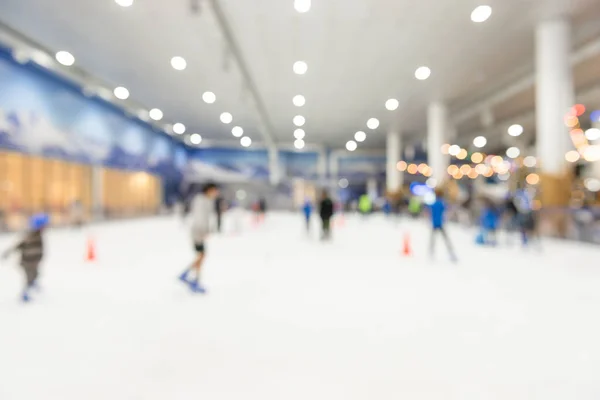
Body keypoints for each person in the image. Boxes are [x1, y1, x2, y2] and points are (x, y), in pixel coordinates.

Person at [179, 183, 219, 293]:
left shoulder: (206, 200)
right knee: (201, 255)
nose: (216, 193)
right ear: (209, 190)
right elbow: (200, 217)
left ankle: (193, 279)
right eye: (215, 191)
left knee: (201, 255)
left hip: (199, 231)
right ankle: (187, 275)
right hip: (197, 232)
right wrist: (204, 231)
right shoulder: (201, 201)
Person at [2, 213, 49, 302]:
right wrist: (7, 253)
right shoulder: (29, 235)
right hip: (27, 261)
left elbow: (40, 248)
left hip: (34, 261)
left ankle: (32, 283)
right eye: (43, 226)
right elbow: (18, 245)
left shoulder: (39, 235)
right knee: (29, 277)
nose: (45, 228)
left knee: (35, 274)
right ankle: (24, 294)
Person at [428, 188, 457, 262]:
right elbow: (448, 209)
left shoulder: (434, 203)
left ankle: (431, 254)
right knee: (446, 240)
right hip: (440, 223)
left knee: (433, 240)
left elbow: (429, 212)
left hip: (435, 223)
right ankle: (451, 254)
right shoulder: (442, 203)